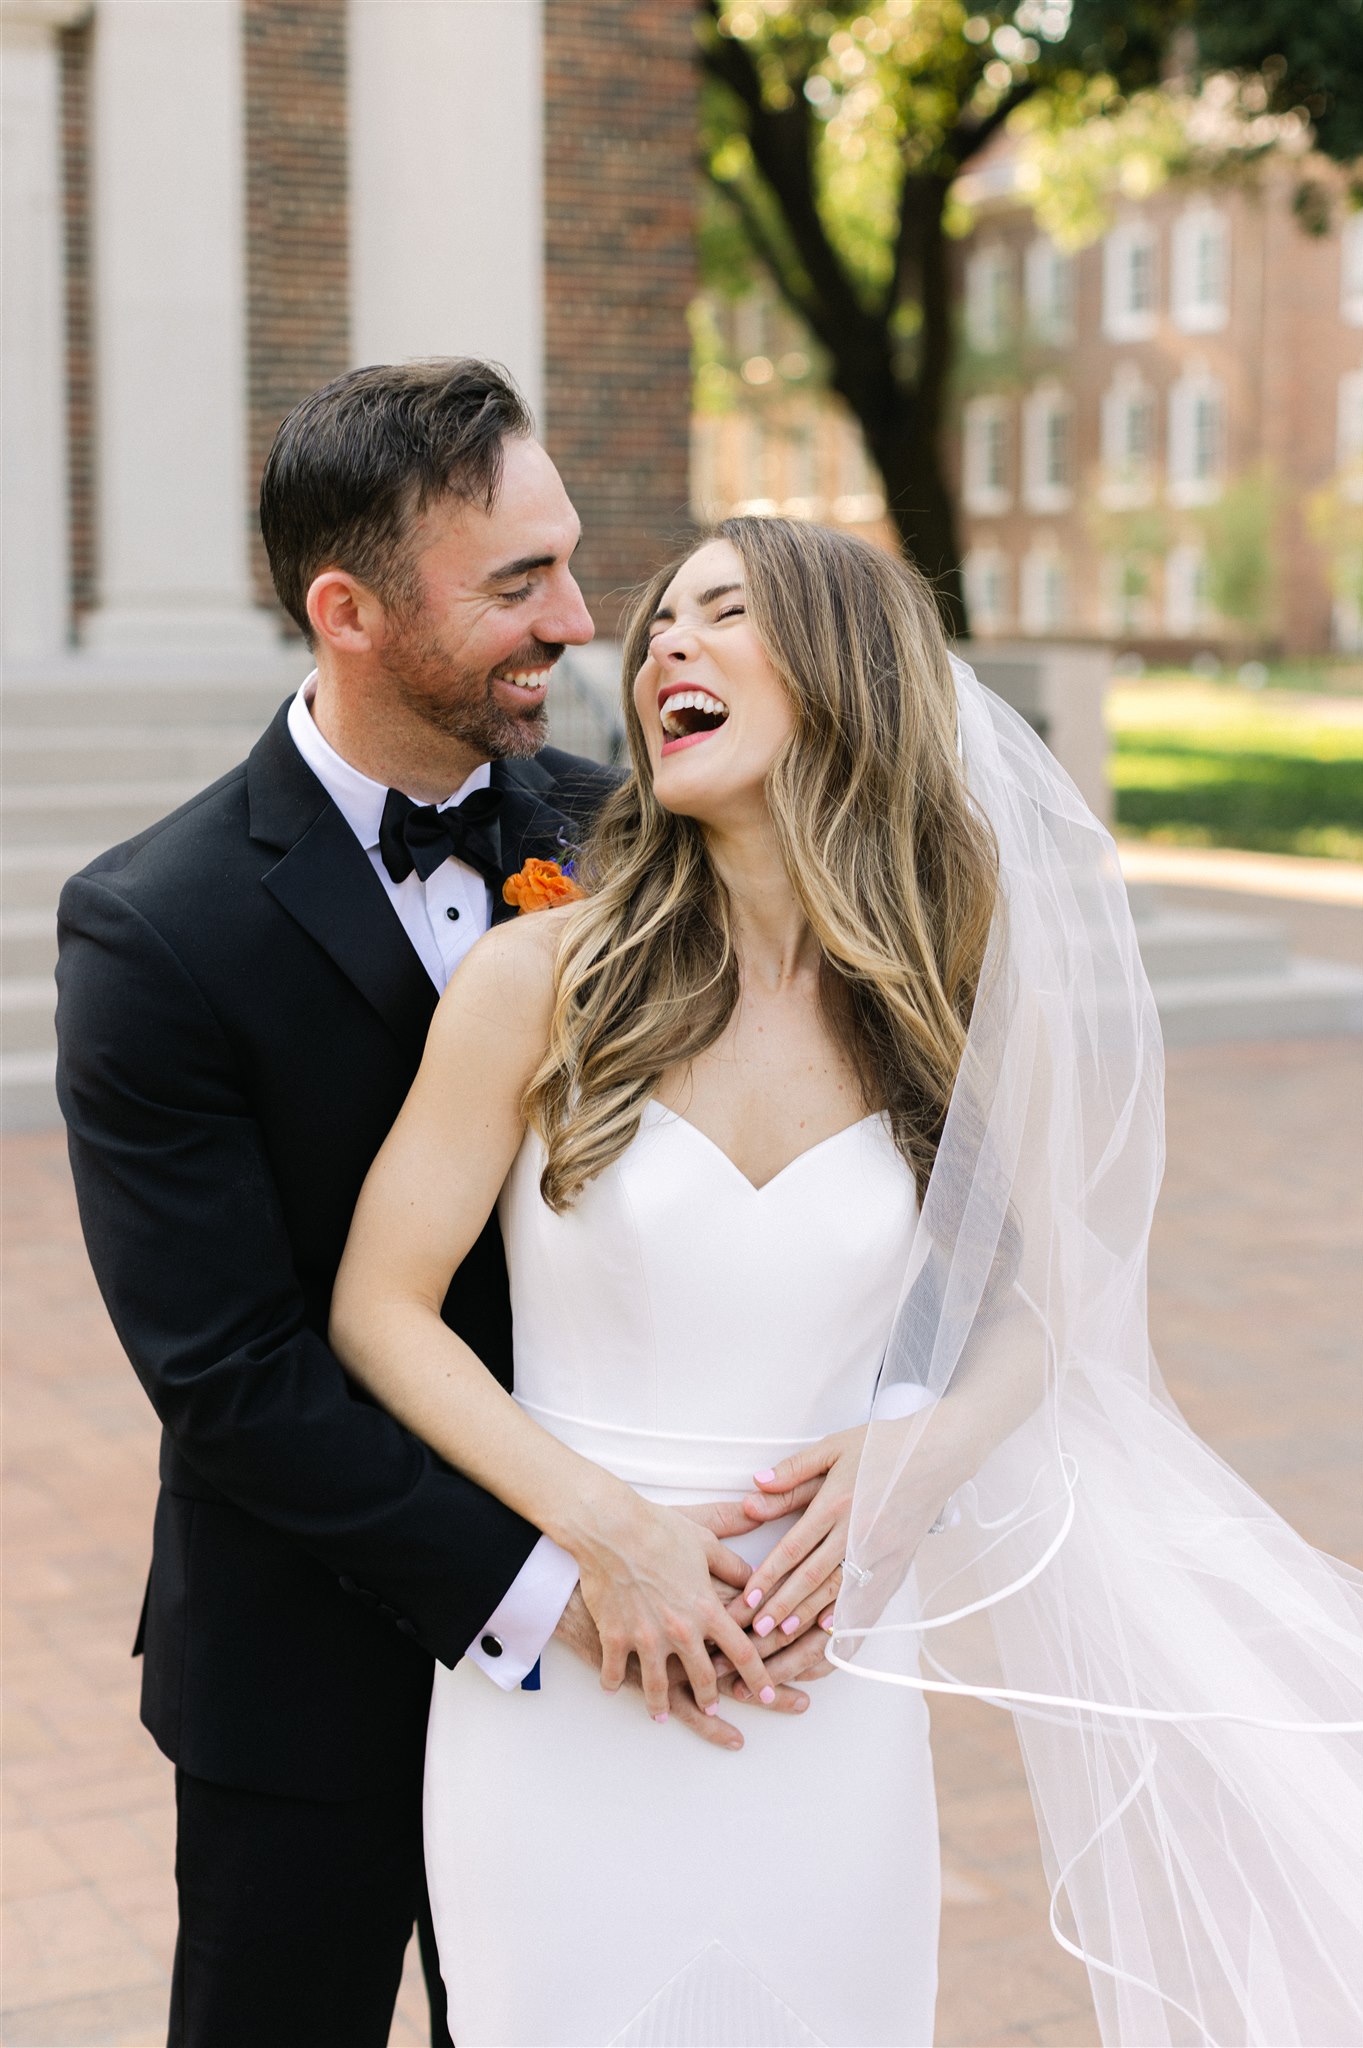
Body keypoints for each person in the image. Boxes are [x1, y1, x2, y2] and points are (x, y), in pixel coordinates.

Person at [54, 363, 823, 2048]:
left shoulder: (629, 837)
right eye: (517, 586)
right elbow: (232, 1374)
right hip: (316, 1671)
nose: (581, 617)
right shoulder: (151, 931)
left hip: (632, 1678)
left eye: (567, 562)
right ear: (347, 611)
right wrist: (566, 1575)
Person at [329, 516, 999, 2045]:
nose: (661, 648)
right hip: (577, 1661)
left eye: (726, 613)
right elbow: (379, 1307)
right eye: (661, 624)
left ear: (845, 678)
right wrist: (606, 1536)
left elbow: (1040, 1312)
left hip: (823, 1679)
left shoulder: (930, 994)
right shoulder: (537, 980)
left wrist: (924, 1445)